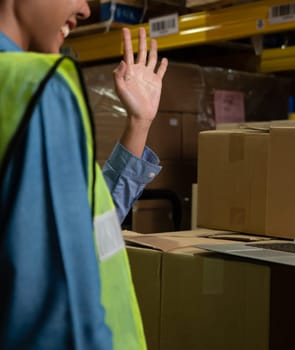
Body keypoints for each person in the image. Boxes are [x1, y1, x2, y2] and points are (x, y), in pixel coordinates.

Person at [0, 0, 168, 348]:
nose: (85, 9)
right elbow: (60, 316)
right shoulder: (35, 87)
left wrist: (138, 123)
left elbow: (83, 224)